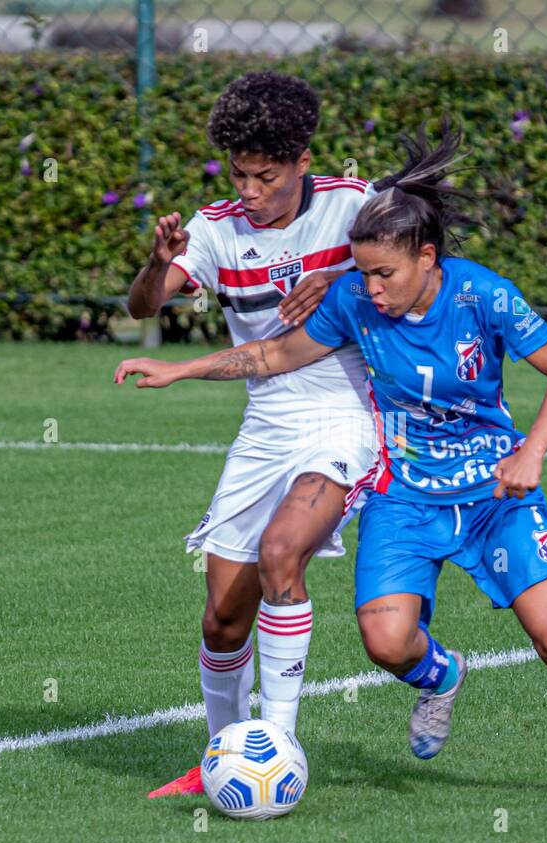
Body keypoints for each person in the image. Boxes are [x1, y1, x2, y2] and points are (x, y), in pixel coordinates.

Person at [116, 122, 547, 805]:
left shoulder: (481, 294)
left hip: (495, 492)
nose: (370, 289)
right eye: (362, 271)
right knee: (383, 641)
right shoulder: (352, 301)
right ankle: (440, 677)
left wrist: (533, 451)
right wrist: (180, 369)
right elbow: (272, 356)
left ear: (427, 259)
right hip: (403, 496)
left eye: (383, 274)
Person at [121, 72, 380, 798]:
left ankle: (280, 746)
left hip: (349, 418)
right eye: (239, 173)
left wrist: (341, 283)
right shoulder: (214, 228)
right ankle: (222, 759)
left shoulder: (354, 207)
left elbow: (421, 267)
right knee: (223, 616)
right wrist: (154, 259)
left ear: (303, 162)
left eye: (266, 175)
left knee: (281, 554)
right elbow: (143, 305)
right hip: (265, 423)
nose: (251, 188)